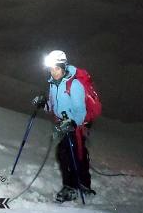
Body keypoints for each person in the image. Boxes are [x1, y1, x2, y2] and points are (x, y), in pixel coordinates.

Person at [32, 50, 95, 202]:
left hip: (77, 125)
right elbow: (54, 107)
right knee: (67, 153)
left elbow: (81, 111)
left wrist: (73, 122)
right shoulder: (54, 85)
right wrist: (44, 104)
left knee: (70, 154)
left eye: (57, 69)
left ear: (63, 67)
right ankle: (79, 185)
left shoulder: (75, 85)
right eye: (52, 69)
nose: (54, 72)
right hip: (64, 123)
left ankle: (74, 187)